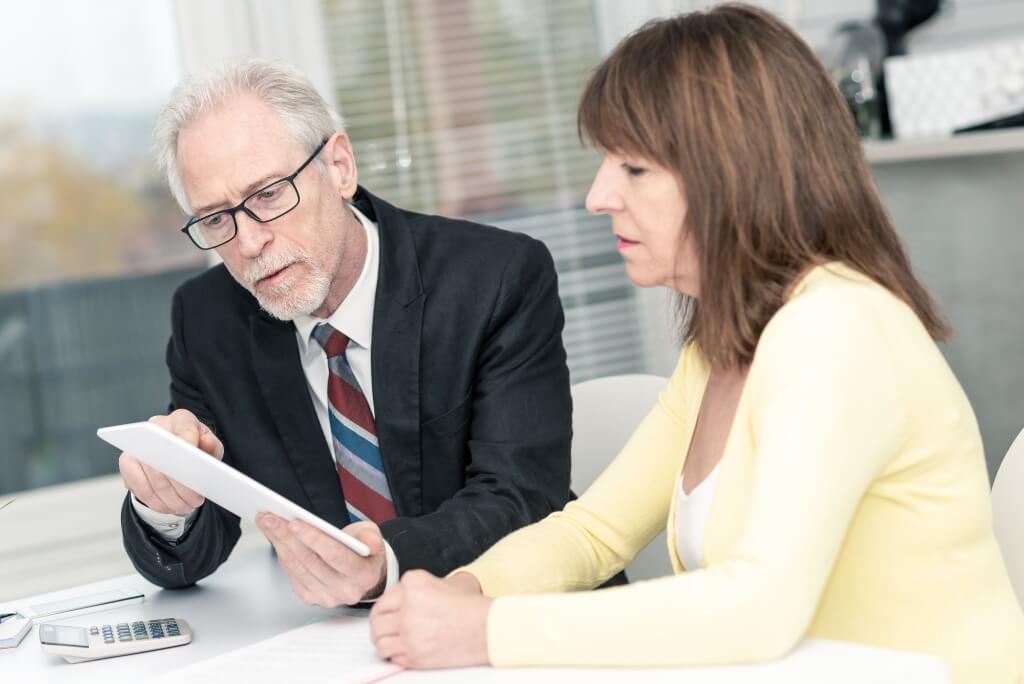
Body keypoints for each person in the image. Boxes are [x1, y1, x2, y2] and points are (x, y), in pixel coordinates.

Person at [367, 5, 1024, 681]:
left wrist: (487, 632)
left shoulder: (837, 329)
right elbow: (591, 532)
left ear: (733, 174)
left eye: (635, 169)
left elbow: (757, 607)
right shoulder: (723, 345)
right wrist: (464, 591)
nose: (598, 196)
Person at [116, 58, 576, 606]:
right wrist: (167, 503)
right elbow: (196, 552)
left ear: (338, 167)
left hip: (514, 613)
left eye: (267, 195)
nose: (247, 243)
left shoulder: (494, 277)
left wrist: (389, 561)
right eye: (216, 218)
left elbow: (523, 496)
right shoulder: (208, 318)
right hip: (341, 643)